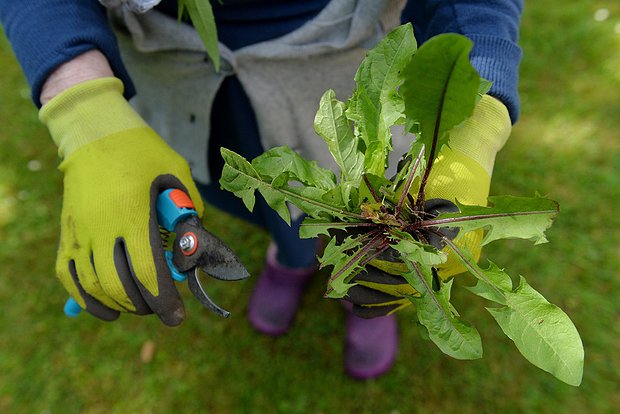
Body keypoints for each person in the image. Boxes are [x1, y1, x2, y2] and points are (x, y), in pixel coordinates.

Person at [0, 0, 522, 379]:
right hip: (178, 75)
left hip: (340, 69)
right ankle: (290, 258)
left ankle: (352, 286)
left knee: (349, 205)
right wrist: (83, 109)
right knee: (244, 192)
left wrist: (477, 122)